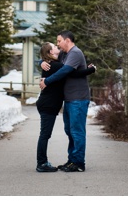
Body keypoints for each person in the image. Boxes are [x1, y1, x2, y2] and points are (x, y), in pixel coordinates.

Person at [35, 41, 95, 172]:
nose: (57, 47)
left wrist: (40, 62)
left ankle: (44, 162)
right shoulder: (55, 65)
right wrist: (90, 70)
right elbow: (72, 73)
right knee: (45, 135)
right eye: (55, 47)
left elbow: (46, 59)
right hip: (48, 104)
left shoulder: (52, 63)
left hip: (48, 104)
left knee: (45, 134)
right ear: (51, 52)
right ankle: (41, 163)